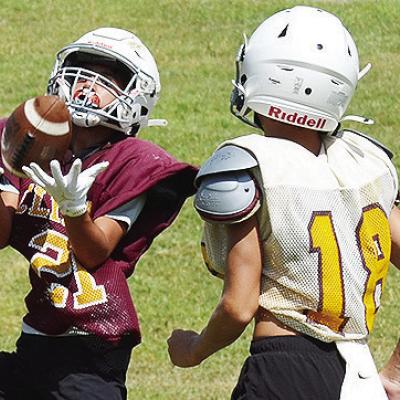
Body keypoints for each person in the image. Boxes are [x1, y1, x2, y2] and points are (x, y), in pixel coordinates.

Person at [167, 6, 400, 400]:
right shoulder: (366, 162)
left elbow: (239, 306)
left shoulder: (247, 163)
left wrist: (194, 350)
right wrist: (395, 374)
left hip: (284, 369)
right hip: (357, 376)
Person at [0, 27, 197, 399]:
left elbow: (94, 251)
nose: (87, 83)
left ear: (135, 95)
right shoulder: (33, 144)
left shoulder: (131, 162)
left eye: (107, 77)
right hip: (36, 334)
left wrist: (74, 208)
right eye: (80, 70)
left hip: (92, 345)